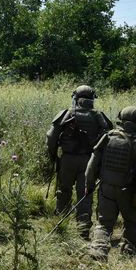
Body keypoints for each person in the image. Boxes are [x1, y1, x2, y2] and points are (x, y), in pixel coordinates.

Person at [86, 106, 136, 261]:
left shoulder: (108, 137)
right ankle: (129, 250)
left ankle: (98, 249)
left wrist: (89, 184)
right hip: (129, 190)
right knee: (133, 220)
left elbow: (92, 165)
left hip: (106, 188)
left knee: (104, 222)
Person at [46, 85, 112, 239]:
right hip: (88, 161)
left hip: (67, 160)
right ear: (92, 99)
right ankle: (82, 230)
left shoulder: (66, 113)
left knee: (63, 191)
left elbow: (51, 137)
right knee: (85, 194)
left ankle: (61, 226)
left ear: (75, 98)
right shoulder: (98, 116)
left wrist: (53, 155)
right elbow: (108, 136)